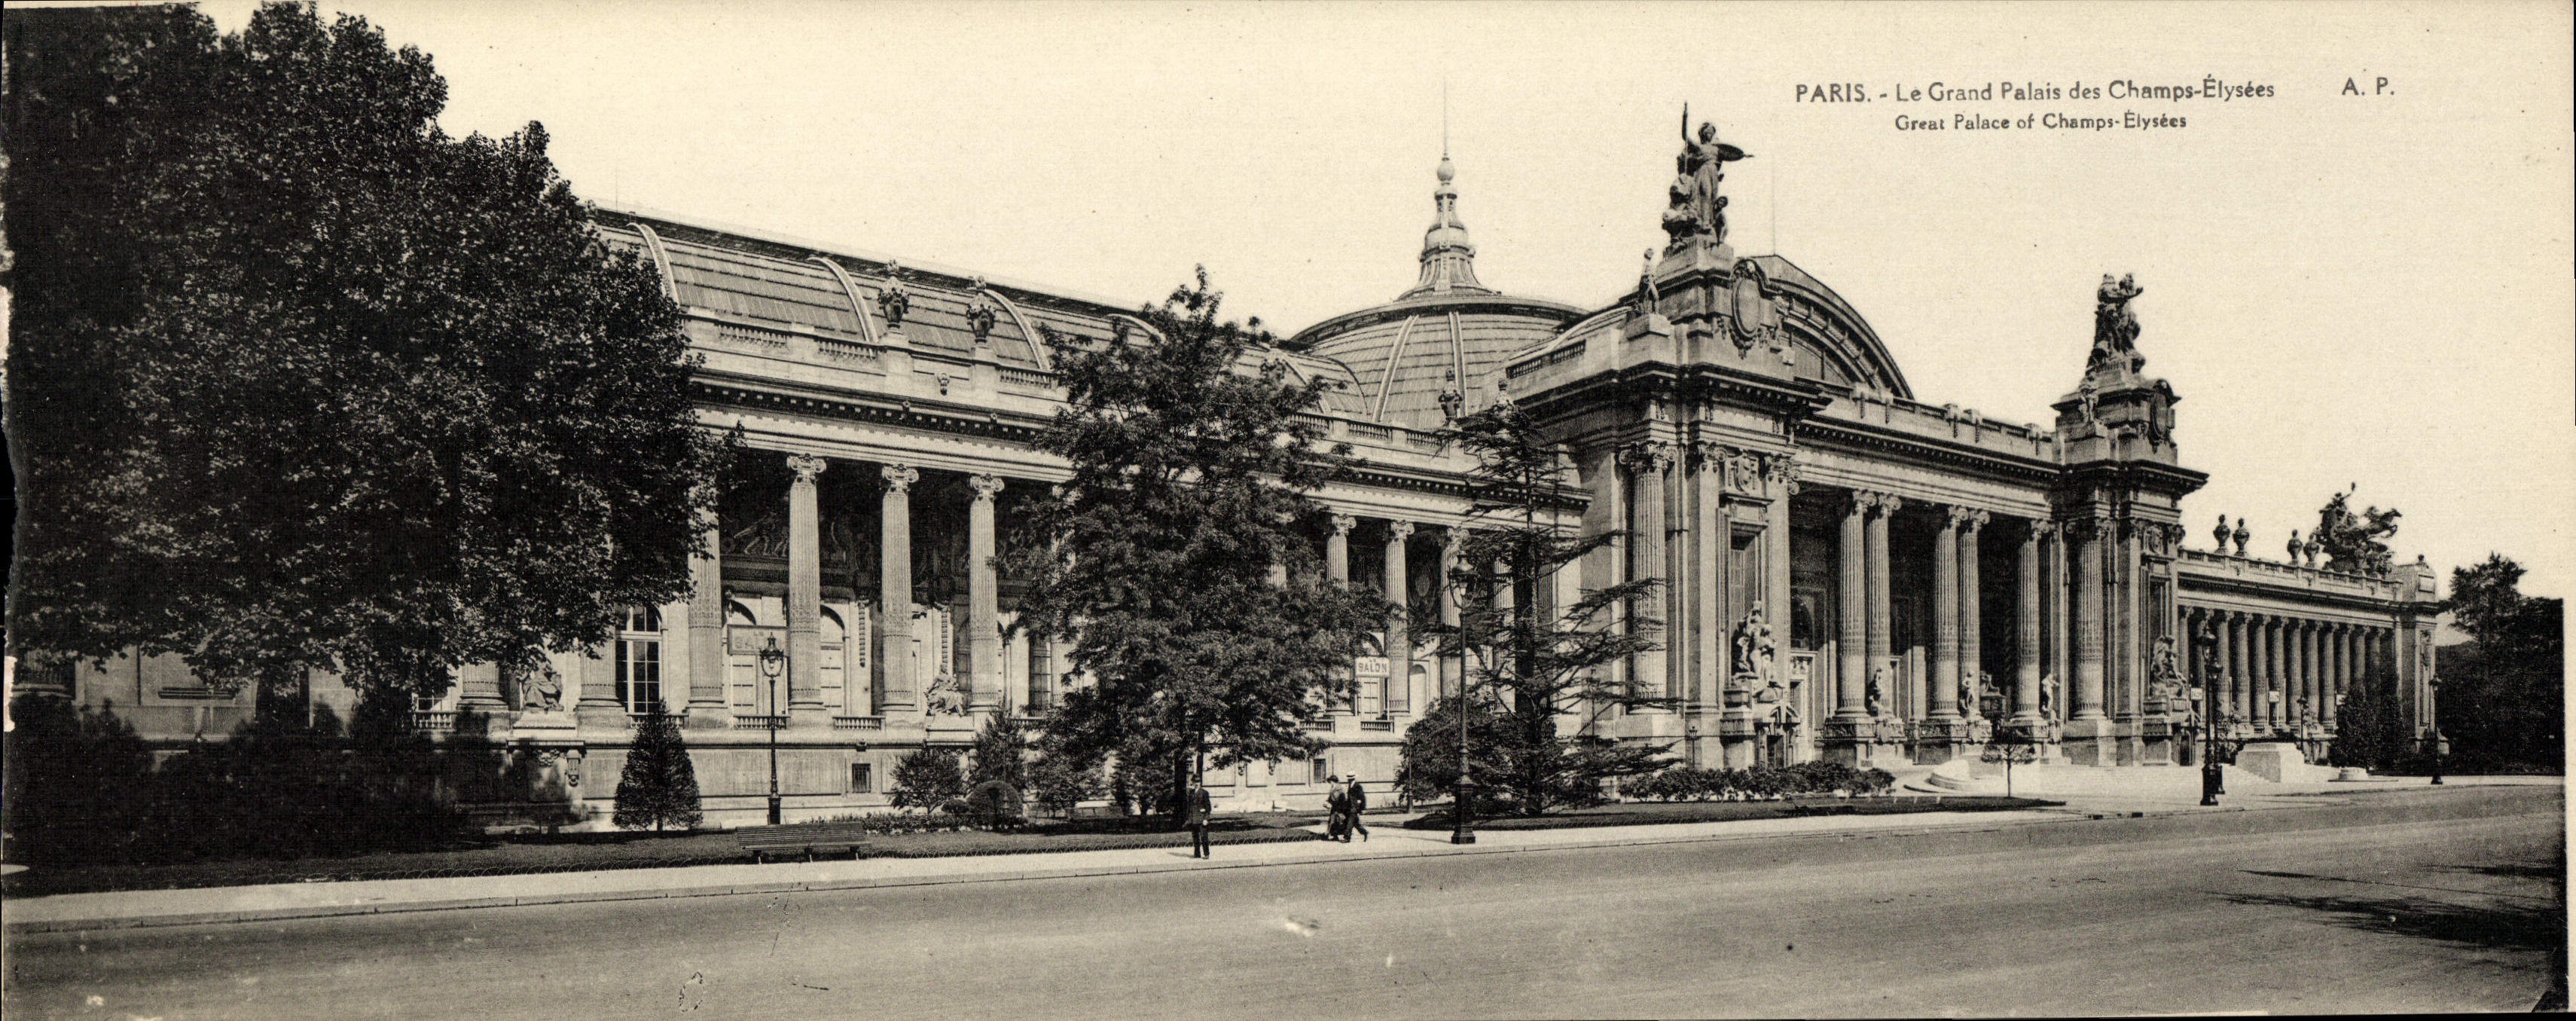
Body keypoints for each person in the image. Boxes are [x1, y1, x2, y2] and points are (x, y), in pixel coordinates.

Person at [1185, 781, 1213, 859]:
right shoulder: (1191, 793)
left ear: (1200, 783)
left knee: (1204, 837)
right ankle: (1197, 854)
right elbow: (1189, 806)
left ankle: (1206, 854)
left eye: (1198, 782)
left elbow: (1208, 807)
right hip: (1194, 818)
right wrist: (1189, 818)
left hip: (1202, 818)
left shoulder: (1204, 793)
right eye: (1195, 782)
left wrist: (1206, 819)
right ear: (1193, 783)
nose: (1196, 784)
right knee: (1195, 837)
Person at [1323, 776, 1351, 842]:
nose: (1330, 784)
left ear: (1333, 781)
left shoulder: (1339, 789)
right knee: (1332, 821)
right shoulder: (1333, 788)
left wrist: (1333, 805)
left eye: (1331, 782)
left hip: (1338, 808)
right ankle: (1334, 836)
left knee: (1336, 822)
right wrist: (1327, 802)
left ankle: (1340, 835)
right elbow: (1331, 798)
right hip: (1334, 808)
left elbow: (1342, 800)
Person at [1344, 777, 1370, 842]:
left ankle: (1347, 838)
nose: (1348, 780)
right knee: (1355, 823)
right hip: (1350, 807)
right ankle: (1365, 832)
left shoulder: (1358, 786)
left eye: (1349, 779)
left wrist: (1361, 808)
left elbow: (1362, 797)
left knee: (1350, 822)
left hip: (1355, 807)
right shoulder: (1350, 785)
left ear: (1351, 779)